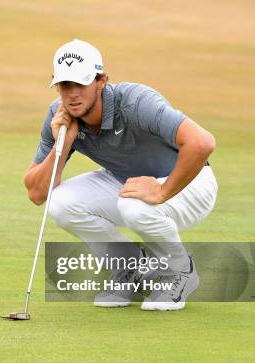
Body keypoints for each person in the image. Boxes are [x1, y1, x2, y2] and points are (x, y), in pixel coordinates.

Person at [24, 39, 218, 311]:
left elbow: (203, 143)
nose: (72, 94)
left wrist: (162, 191)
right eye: (65, 85)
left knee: (135, 205)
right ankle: (131, 269)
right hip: (127, 182)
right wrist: (63, 143)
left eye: (81, 83)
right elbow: (36, 194)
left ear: (101, 80)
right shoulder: (58, 117)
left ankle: (180, 271)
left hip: (191, 183)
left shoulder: (136, 102)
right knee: (60, 203)